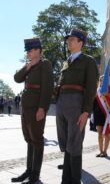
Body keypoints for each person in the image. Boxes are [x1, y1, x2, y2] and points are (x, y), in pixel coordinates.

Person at [56, 29, 98, 184]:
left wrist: (86, 111)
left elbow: (91, 88)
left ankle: (74, 180)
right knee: (66, 142)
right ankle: (65, 180)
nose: (69, 41)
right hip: (62, 103)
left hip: (77, 103)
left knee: (74, 142)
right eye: (68, 39)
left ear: (81, 42)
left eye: (72, 39)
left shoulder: (88, 61)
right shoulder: (67, 61)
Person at [12, 38, 53, 183]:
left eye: (29, 50)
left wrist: (42, 108)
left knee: (37, 139)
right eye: (27, 51)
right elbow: (17, 78)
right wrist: (29, 65)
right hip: (26, 107)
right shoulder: (30, 65)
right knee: (29, 139)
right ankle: (28, 171)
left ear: (37, 49)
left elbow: (47, 88)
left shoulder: (45, 64)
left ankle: (35, 174)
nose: (28, 53)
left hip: (36, 107)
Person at [93, 76, 110, 157]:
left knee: (107, 133)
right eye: (101, 80)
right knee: (100, 133)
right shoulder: (97, 91)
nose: (102, 81)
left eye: (104, 80)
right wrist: (92, 114)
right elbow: (94, 103)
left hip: (107, 114)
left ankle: (105, 151)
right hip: (98, 114)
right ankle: (101, 151)